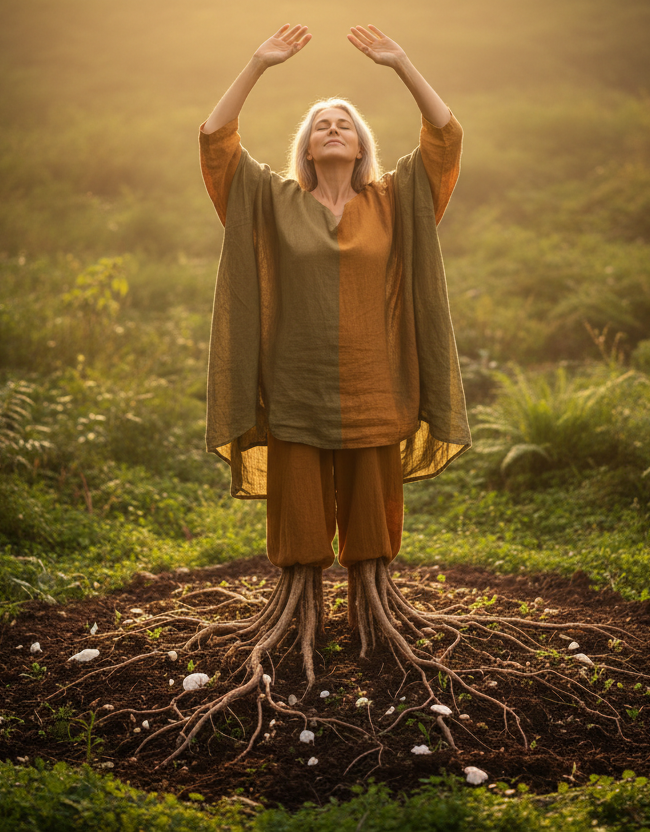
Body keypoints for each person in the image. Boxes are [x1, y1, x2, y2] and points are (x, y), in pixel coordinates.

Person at [200, 24, 470, 579]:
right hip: (295, 390)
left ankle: (372, 609)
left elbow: (445, 137)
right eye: (321, 125)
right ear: (306, 146)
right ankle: (299, 611)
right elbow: (215, 139)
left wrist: (401, 64)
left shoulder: (396, 198)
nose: (332, 129)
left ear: (360, 145)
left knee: (372, 519)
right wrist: (257, 63)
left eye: (344, 124)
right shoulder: (272, 199)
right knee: (298, 516)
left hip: (375, 387)